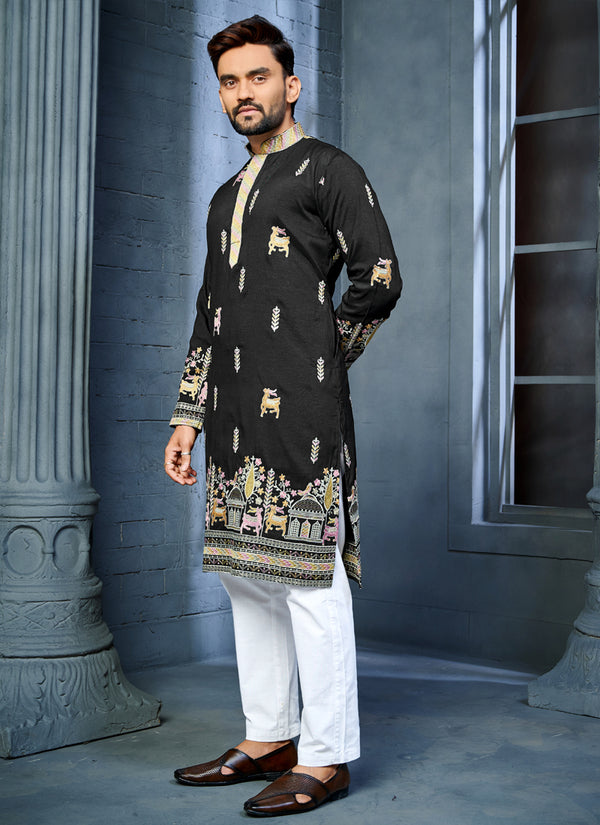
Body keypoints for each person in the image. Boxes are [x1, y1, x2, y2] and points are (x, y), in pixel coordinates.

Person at [164, 15, 401, 817]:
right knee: (248, 577)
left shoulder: (329, 169)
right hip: (229, 414)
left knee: (308, 581)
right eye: (229, 81)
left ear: (290, 84)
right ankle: (269, 735)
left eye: (257, 76)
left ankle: (326, 757)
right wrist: (187, 417)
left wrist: (324, 356)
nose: (242, 92)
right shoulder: (225, 195)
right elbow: (211, 310)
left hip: (300, 411)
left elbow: (379, 274)